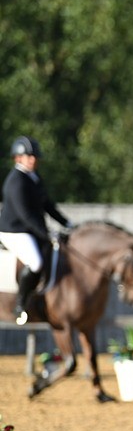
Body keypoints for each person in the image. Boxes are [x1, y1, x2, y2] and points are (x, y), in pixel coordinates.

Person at [0, 136, 74, 324]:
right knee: (35, 262)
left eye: (35, 156)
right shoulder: (16, 181)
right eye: (29, 156)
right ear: (18, 158)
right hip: (14, 231)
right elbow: (26, 215)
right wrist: (46, 234)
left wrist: (67, 223)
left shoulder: (34, 178)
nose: (34, 159)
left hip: (30, 229)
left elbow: (47, 205)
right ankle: (20, 304)